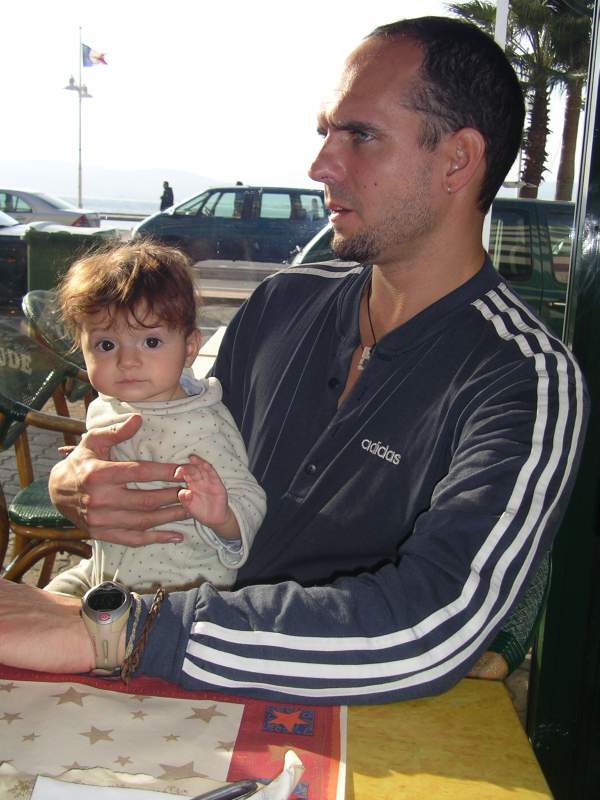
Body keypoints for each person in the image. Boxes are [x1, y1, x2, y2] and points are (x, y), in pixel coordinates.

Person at [0, 17, 589, 704]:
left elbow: (435, 627)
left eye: (359, 135)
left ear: (457, 160)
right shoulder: (281, 302)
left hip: (327, 706)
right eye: (324, 133)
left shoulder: (524, 377)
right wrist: (79, 484)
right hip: (162, 653)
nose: (320, 166)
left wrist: (119, 635)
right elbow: (183, 437)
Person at [44, 240, 266, 595]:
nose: (127, 361)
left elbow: (250, 499)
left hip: (177, 589)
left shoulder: (201, 425)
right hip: (104, 570)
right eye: (106, 345)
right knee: (38, 604)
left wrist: (222, 515)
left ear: (190, 347)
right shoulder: (106, 405)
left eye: (150, 342)